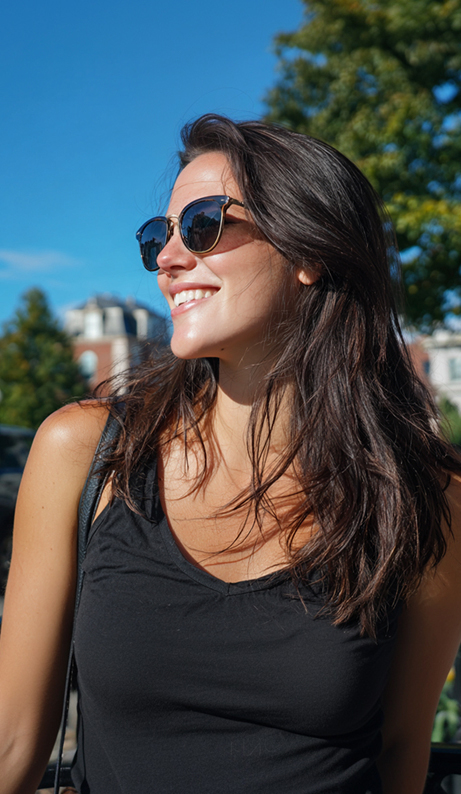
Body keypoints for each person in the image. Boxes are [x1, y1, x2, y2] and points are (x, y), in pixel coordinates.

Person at [1, 114, 461, 794]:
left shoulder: (425, 492)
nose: (166, 258)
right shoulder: (85, 451)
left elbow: (400, 751)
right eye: (157, 236)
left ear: (310, 250)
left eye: (203, 225)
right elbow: (11, 744)